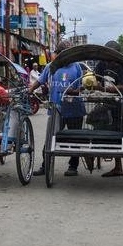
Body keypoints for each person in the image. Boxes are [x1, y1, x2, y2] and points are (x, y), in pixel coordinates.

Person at [28, 40, 86, 177]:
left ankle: (73, 166)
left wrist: (76, 90)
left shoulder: (77, 67)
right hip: (56, 108)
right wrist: (30, 89)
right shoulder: (51, 66)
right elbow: (40, 81)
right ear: (59, 54)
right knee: (50, 137)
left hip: (74, 109)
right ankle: (45, 165)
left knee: (75, 138)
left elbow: (83, 86)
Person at [93, 40, 123, 179]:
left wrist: (102, 88)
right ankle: (118, 167)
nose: (109, 61)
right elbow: (96, 79)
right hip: (106, 105)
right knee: (100, 126)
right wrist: (94, 84)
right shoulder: (101, 65)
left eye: (112, 57)